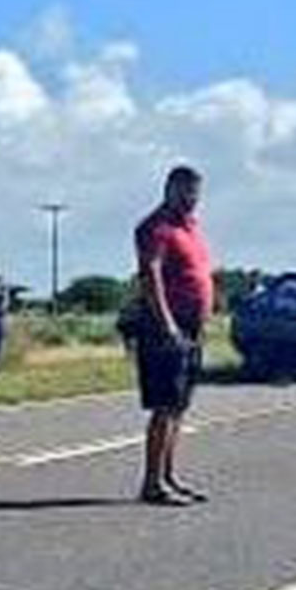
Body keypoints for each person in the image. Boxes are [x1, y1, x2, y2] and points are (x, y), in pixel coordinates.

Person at [131, 165, 221, 506]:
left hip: (192, 326)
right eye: (185, 192)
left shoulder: (191, 228)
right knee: (165, 405)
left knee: (180, 406)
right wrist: (167, 322)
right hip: (166, 326)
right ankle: (152, 483)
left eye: (195, 193)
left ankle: (169, 475)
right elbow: (150, 275)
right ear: (169, 189)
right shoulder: (155, 228)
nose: (192, 200)